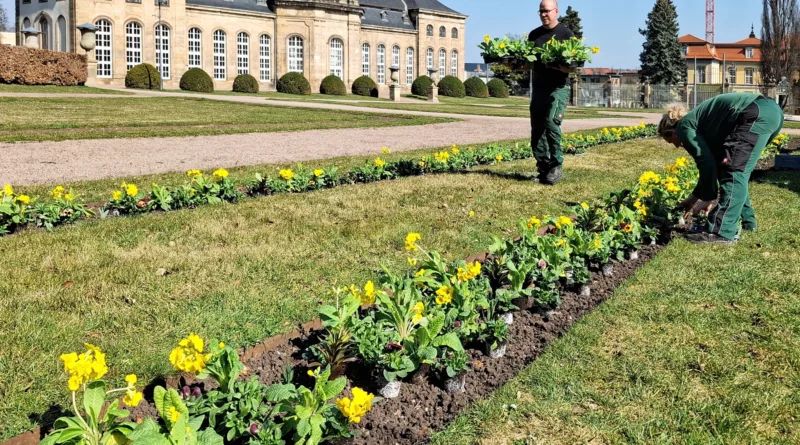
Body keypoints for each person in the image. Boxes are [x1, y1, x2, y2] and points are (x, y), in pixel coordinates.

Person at [657, 92, 784, 244]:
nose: (678, 146)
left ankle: (722, 232)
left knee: (734, 171)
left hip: (755, 114)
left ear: (672, 132)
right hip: (771, 113)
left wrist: (708, 197)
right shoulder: (703, 126)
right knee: (734, 172)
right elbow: (713, 167)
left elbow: (706, 163)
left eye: (672, 141)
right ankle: (749, 223)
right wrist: (692, 200)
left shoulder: (684, 126)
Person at [529, 0, 574, 185]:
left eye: (547, 11)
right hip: (539, 88)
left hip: (558, 88)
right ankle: (543, 167)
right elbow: (529, 62)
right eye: (541, 11)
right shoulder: (534, 35)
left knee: (551, 123)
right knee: (537, 128)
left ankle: (556, 166)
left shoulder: (566, 34)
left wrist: (563, 66)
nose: (544, 14)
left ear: (556, 11)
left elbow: (573, 67)